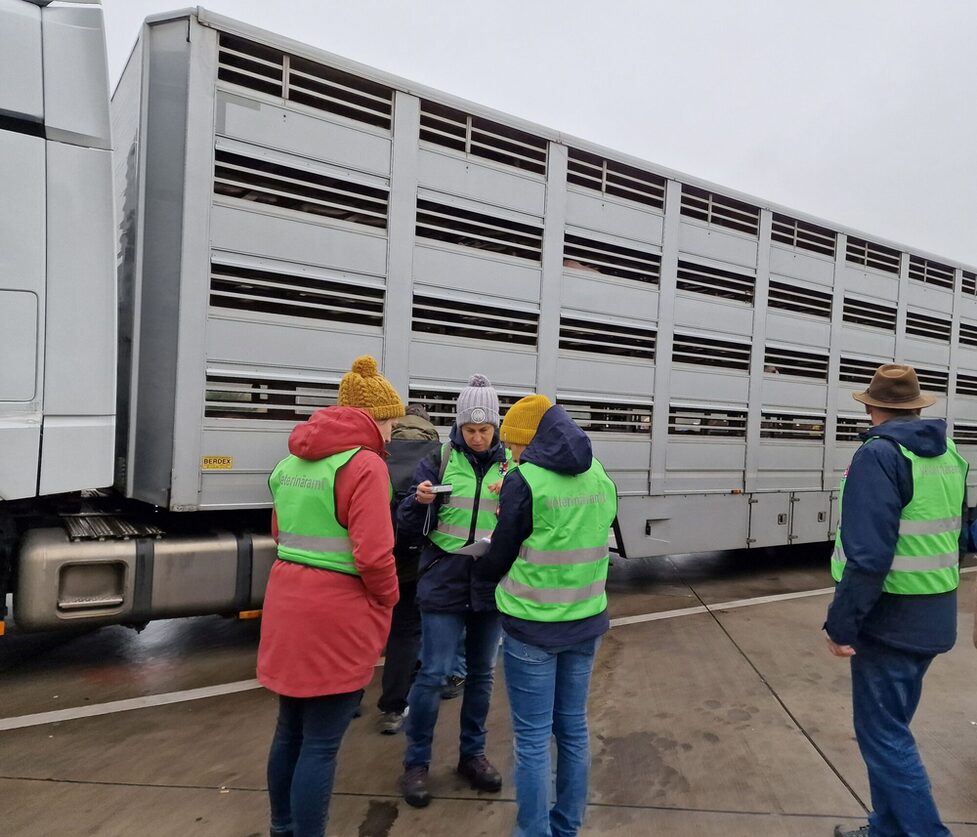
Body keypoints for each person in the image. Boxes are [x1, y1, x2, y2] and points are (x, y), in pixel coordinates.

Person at [257, 355, 404, 837]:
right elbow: (375, 556)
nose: (392, 432)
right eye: (391, 422)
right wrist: (388, 600)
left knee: (289, 731)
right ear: (375, 417)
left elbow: (281, 534)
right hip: (336, 616)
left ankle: (282, 828)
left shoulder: (290, 462)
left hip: (286, 604)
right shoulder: (365, 466)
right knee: (321, 744)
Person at [825, 363, 968, 837]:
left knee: (884, 737)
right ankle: (886, 828)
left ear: (870, 407)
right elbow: (958, 533)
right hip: (936, 613)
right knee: (890, 730)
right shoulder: (948, 452)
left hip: (889, 619)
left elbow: (868, 555)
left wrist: (843, 624)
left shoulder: (880, 456)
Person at [473, 394, 617, 837]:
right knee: (573, 730)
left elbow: (500, 555)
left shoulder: (527, 480)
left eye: (516, 444)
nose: (512, 453)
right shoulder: (599, 474)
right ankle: (566, 828)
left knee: (533, 740)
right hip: (586, 622)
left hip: (532, 628)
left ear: (531, 439)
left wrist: (481, 567)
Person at [397, 374, 511, 808]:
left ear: (496, 427)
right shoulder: (439, 459)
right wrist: (418, 502)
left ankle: (472, 756)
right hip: (444, 579)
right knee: (433, 672)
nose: (478, 437)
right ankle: (416, 763)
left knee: (481, 675)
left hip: (488, 584)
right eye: (470, 429)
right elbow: (406, 524)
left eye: (485, 429)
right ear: (458, 427)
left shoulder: (511, 466)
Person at [376, 404, 441, 735]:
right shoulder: (438, 456)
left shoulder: (378, 451)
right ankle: (393, 707)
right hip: (414, 560)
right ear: (428, 425)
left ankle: (349, 700)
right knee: (405, 632)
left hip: (377, 556)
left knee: (369, 630)